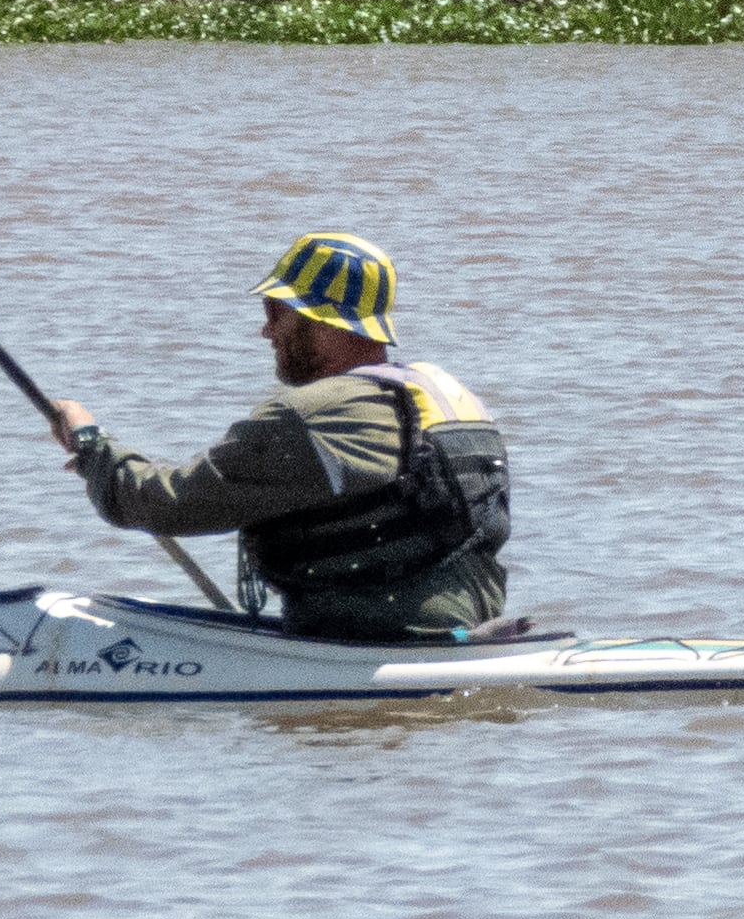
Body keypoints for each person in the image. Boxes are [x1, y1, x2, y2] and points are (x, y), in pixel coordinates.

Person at [41, 233, 513, 642]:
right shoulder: (450, 395)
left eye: (275, 311)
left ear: (321, 319)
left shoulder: (310, 414)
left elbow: (163, 504)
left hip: (376, 644)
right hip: (471, 629)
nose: (265, 330)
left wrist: (90, 444)